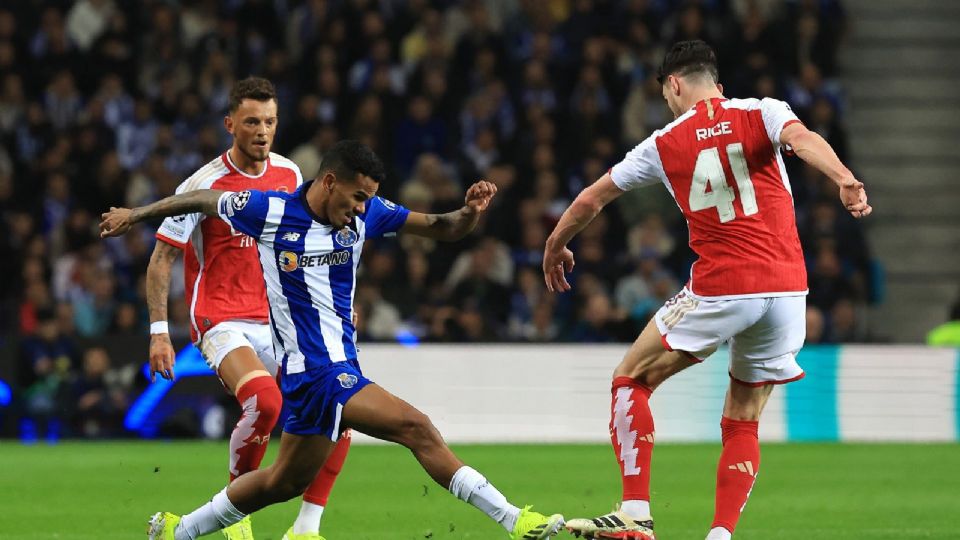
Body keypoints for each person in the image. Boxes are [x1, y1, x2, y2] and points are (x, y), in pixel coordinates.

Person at [101, 140, 564, 540]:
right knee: (417, 428)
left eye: (369, 199)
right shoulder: (271, 212)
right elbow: (203, 199)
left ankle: (177, 530)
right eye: (357, 196)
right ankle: (515, 521)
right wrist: (135, 215)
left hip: (330, 374)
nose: (362, 208)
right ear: (328, 183)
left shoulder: (370, 214)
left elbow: (442, 227)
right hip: (316, 373)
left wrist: (470, 212)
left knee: (280, 483)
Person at [544, 41, 871, 540]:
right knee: (743, 419)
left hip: (723, 284)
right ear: (716, 83)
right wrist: (844, 179)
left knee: (630, 379)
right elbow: (803, 140)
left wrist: (555, 244)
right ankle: (720, 535)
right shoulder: (762, 111)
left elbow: (593, 198)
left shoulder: (663, 142)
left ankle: (635, 512)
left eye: (666, 95)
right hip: (787, 289)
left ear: (673, 84)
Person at [145, 76, 350, 540]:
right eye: (252, 121)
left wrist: (332, 306)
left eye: (271, 122)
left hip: (277, 321)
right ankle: (237, 519)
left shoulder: (291, 176)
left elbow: (313, 247)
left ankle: (306, 529)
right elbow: (162, 258)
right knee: (265, 401)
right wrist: (159, 330)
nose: (262, 131)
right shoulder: (203, 184)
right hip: (220, 320)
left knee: (339, 405)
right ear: (230, 124)